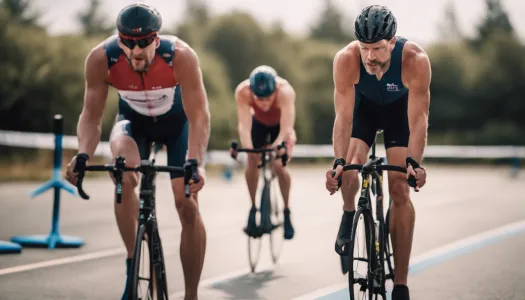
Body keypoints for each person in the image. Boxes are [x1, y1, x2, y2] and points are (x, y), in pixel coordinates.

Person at [64, 3, 210, 300]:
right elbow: (91, 116)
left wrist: (196, 161)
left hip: (176, 126)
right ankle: (134, 265)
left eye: (144, 42)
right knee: (122, 173)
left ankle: (191, 294)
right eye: (129, 43)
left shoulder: (179, 56)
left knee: (187, 204)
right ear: (120, 41)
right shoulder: (101, 59)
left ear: (156, 39)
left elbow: (199, 116)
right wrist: (82, 155)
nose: (137, 50)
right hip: (133, 126)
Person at [324, 5, 430, 300]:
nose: (370, 56)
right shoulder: (346, 60)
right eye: (364, 48)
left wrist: (414, 163)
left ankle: (401, 283)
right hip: (364, 111)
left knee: (399, 188)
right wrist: (338, 162)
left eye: (378, 49)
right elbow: (343, 117)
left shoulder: (415, 60)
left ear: (392, 43)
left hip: (399, 114)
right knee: (351, 167)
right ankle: (349, 212)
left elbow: (419, 117)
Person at [231, 65, 297, 240]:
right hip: (258, 125)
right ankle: (253, 208)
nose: (264, 103)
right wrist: (249, 148)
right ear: (252, 92)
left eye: (268, 98)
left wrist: (277, 147)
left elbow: (286, 128)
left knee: (278, 166)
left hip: (280, 127)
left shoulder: (285, 92)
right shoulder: (243, 92)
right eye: (259, 99)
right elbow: (244, 126)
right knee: (252, 159)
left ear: (275, 90)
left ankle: (286, 211)